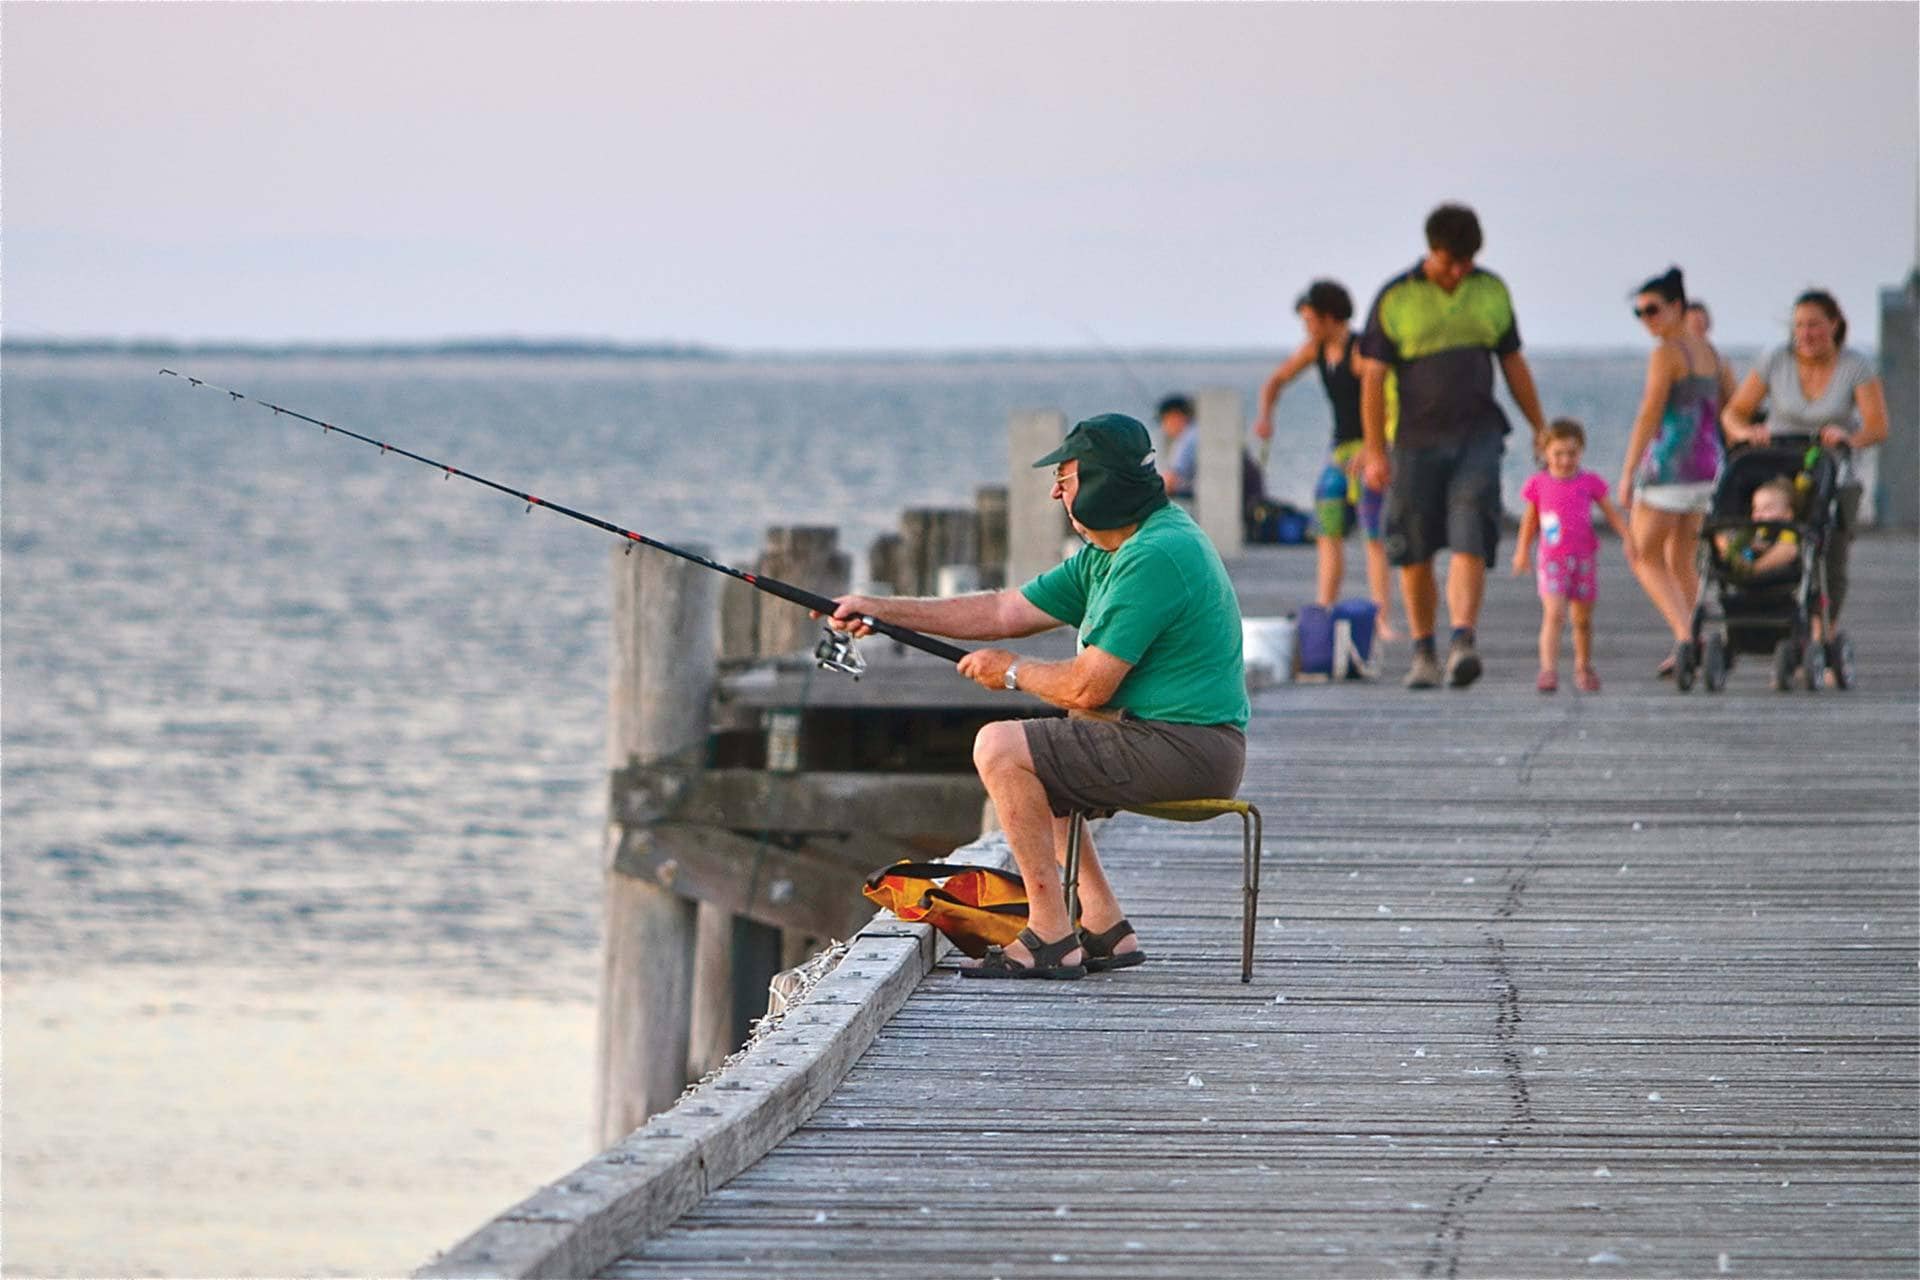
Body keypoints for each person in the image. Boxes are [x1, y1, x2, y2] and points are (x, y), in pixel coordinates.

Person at [823, 413, 1249, 980]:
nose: (1055, 491)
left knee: (1001, 746)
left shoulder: (1154, 558)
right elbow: (1003, 610)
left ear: (1102, 486)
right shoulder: (1113, 551)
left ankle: (1049, 935)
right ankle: (1104, 925)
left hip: (1189, 750)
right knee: (1048, 744)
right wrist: (882, 610)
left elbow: (1088, 683)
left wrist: (1010, 671)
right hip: (1166, 739)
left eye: (1066, 479)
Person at [1359, 202, 1549, 688]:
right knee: (1414, 548)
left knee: (1470, 534)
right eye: (1451, 262)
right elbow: (1373, 381)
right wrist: (1375, 449)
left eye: (1467, 262)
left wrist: (1539, 426)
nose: (1459, 271)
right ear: (1431, 252)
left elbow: (1513, 364)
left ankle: (1463, 641)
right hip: (1414, 442)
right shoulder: (1396, 297)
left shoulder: (1490, 290)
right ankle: (1424, 651)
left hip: (1478, 436)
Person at [1721, 289, 1889, 632]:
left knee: (1831, 558)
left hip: (1833, 470)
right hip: (1779, 468)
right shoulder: (1775, 360)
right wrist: (1748, 432)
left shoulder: (1855, 365)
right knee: (1768, 534)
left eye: (1814, 325)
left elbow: (1877, 427)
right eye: (1799, 326)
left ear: (1834, 325)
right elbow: (1733, 414)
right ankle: (1766, 609)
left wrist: (1848, 438)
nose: (1806, 334)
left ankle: (1822, 633)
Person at [1253, 279, 1400, 640]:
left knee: (1373, 534)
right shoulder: (1315, 349)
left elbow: (1391, 401)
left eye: (1309, 319)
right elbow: (1276, 380)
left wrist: (1375, 448)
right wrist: (1266, 416)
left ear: (1329, 317)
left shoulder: (1362, 350)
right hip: (1338, 450)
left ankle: (1380, 617)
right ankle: (1325, 609)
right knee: (1326, 529)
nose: (1306, 326)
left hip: (1370, 448)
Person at [1616, 266, 1736, 679]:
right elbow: (1730, 408)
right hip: (1707, 470)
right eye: (1640, 313)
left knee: (1641, 554)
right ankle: (1687, 641)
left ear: (1677, 307)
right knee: (1681, 559)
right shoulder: (1711, 352)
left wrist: (1629, 470)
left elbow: (1650, 412)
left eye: (1653, 310)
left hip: (1669, 470)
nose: (1647, 320)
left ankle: (1686, 636)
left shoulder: (1667, 353)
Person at [1512, 419, 1636, 693]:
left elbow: (1610, 512)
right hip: (1552, 559)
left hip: (1583, 559)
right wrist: (1522, 551)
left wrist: (1628, 536)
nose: (1565, 460)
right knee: (1554, 614)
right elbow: (1529, 520)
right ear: (1545, 454)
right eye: (1558, 454)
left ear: (1581, 452)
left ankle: (1583, 665)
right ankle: (1548, 669)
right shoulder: (1539, 484)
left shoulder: (1589, 482)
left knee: (1582, 619)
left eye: (1572, 453)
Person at [1714, 477, 1800, 579]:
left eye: (1767, 508)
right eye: (1755, 509)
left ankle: (1754, 569)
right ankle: (1733, 558)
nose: (1758, 515)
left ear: (1787, 514)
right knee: (1722, 534)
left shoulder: (1788, 531)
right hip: (1747, 558)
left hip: (1774, 570)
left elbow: (1789, 550)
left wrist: (1755, 565)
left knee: (1788, 548)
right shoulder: (1756, 530)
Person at [1156, 394, 1198, 496]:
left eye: (1163, 420)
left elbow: (1171, 480)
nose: (1163, 427)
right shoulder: (1197, 432)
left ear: (1175, 416)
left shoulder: (1187, 438)